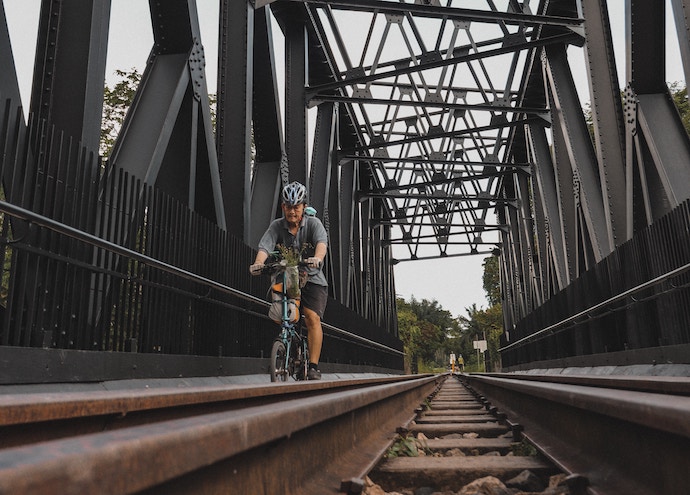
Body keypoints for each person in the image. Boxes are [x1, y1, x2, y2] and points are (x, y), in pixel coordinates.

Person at [250, 181, 328, 380]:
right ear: (283, 206)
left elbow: (321, 244)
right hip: (288, 276)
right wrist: (259, 263)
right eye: (288, 206)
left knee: (311, 317)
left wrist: (317, 258)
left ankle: (313, 366)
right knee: (283, 312)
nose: (292, 211)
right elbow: (264, 247)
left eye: (296, 207)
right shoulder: (277, 226)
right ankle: (285, 345)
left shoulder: (313, 224)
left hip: (312, 278)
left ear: (303, 207)